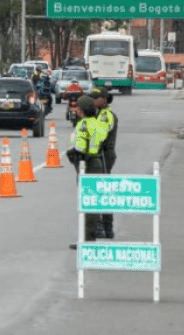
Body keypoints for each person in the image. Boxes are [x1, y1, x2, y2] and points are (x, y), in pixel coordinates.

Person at [66, 95, 110, 249]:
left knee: (87, 205)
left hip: (87, 164)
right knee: (93, 203)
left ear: (82, 110)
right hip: (97, 161)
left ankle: (86, 240)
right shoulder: (97, 123)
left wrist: (74, 158)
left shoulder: (83, 124)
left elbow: (79, 147)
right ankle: (88, 238)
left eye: (77, 107)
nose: (75, 109)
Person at [91, 84, 118, 238]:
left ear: (105, 99)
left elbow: (99, 136)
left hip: (103, 155)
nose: (93, 100)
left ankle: (103, 227)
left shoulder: (105, 115)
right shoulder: (98, 113)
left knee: (101, 190)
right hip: (101, 154)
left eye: (96, 98)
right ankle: (105, 228)